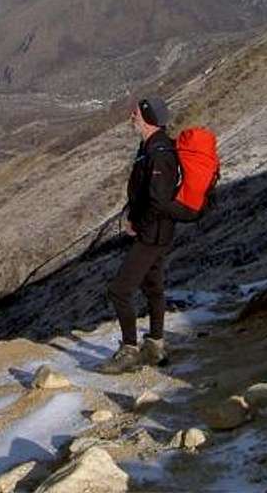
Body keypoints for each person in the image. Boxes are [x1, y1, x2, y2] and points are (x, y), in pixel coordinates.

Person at [99, 96, 180, 374]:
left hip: (151, 234)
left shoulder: (158, 152)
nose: (131, 117)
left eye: (135, 113)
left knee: (119, 290)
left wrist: (138, 225)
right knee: (153, 287)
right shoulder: (151, 147)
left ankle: (130, 351)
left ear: (147, 116)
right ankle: (155, 345)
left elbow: (158, 201)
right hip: (159, 232)